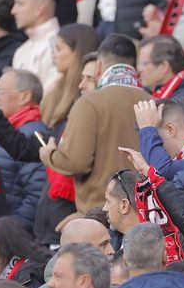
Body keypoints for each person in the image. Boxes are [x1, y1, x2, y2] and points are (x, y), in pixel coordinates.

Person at [40, 35, 146, 213]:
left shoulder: (89, 103)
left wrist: (48, 154)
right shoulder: (155, 101)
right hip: (146, 212)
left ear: (98, 67)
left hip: (101, 213)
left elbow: (76, 162)